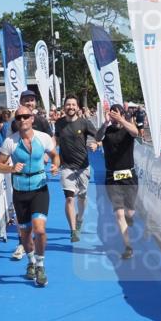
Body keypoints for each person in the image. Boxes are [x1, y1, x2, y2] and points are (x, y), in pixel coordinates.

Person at [0, 105, 59, 286]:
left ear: (32, 118)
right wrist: (11, 168)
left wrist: (56, 165)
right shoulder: (10, 142)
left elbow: (55, 155)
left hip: (39, 188)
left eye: (25, 116)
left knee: (40, 230)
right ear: (16, 121)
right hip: (20, 191)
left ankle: (40, 265)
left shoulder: (43, 138)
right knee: (25, 234)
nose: (22, 120)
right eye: (19, 117)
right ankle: (30, 262)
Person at [97, 104, 140, 260]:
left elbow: (135, 132)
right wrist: (105, 123)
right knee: (119, 214)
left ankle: (130, 216)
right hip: (111, 177)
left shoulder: (128, 129)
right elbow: (97, 137)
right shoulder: (107, 130)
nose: (114, 116)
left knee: (129, 212)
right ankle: (128, 246)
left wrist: (122, 119)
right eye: (112, 113)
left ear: (122, 114)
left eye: (117, 113)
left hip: (129, 176)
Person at [54, 96, 99, 243]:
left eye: (73, 104)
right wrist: (53, 158)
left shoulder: (84, 123)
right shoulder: (59, 124)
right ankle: (73, 231)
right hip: (66, 167)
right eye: (68, 104)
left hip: (83, 167)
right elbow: (56, 141)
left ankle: (80, 218)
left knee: (82, 197)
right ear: (64, 107)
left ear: (77, 107)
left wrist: (97, 144)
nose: (71, 107)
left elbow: (99, 135)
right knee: (69, 198)